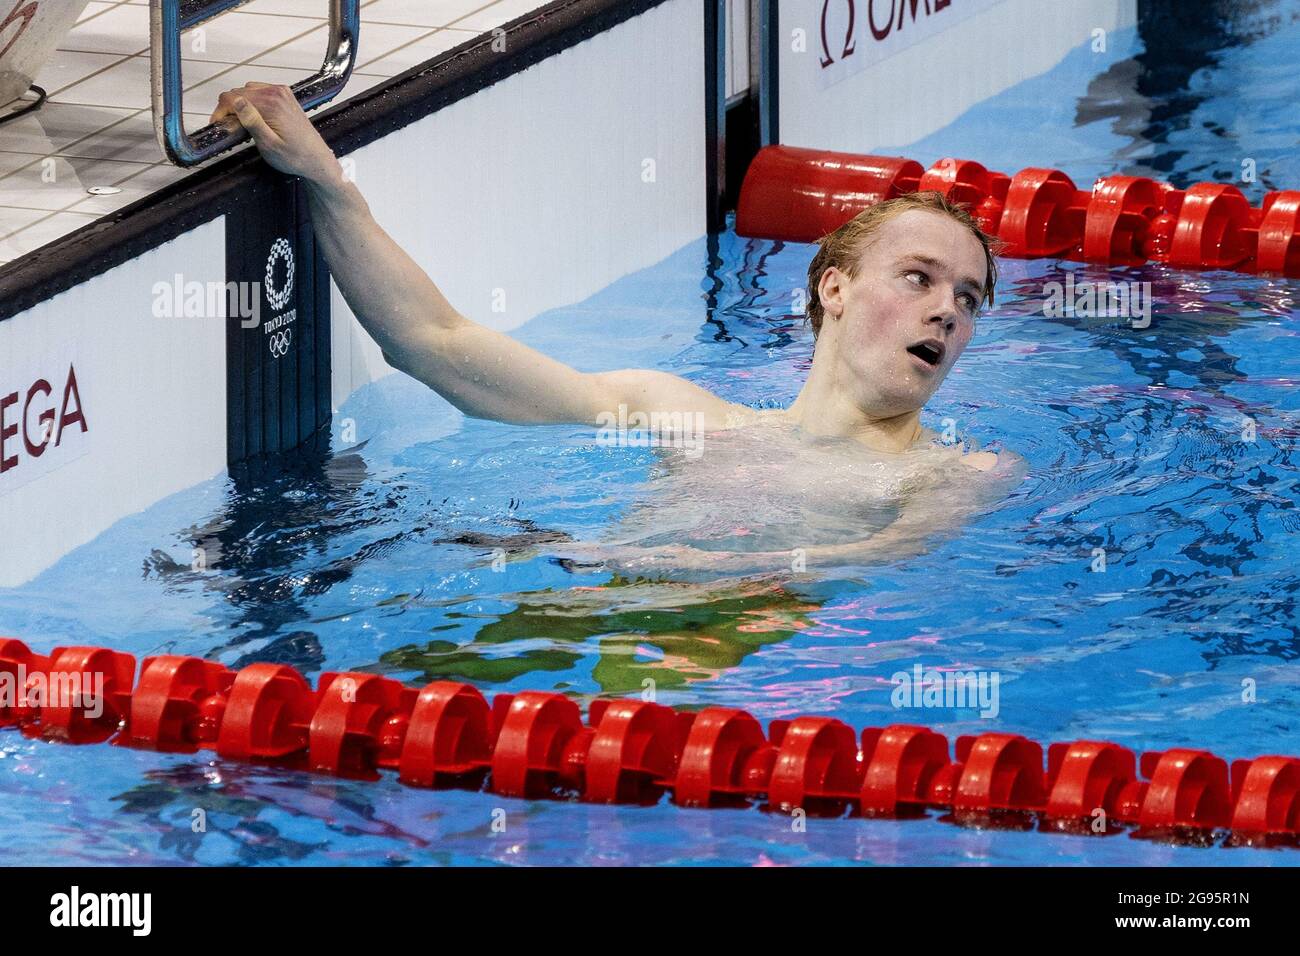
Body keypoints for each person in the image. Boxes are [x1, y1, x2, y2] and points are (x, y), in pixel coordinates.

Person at [211, 84, 1022, 576]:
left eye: (970, 298)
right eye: (918, 277)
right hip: (586, 618)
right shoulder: (680, 413)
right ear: (835, 288)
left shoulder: (955, 473)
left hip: (721, 687)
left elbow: (871, 563)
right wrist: (328, 182)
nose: (949, 309)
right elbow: (435, 347)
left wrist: (654, 561)